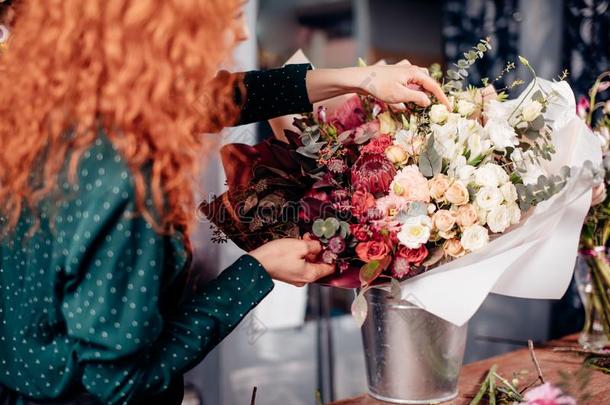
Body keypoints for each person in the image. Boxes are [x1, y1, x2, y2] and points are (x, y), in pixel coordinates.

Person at [0, 1, 449, 404]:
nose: (240, 35)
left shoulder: (39, 102)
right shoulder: (122, 178)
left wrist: (362, 79)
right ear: (163, 26)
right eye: (226, 18)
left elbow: (213, 100)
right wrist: (257, 270)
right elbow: (120, 384)